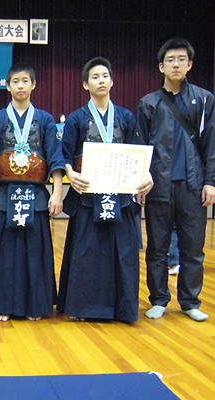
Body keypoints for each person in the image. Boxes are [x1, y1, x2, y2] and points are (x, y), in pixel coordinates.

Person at [57, 57, 153, 323]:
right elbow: (64, 155)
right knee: (87, 252)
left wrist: (146, 176)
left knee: (122, 253)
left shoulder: (125, 117)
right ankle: (81, 308)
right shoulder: (77, 118)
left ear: (112, 81)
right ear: (85, 84)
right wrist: (70, 174)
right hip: (88, 194)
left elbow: (139, 153)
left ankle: (122, 309)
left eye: (105, 76)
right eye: (95, 77)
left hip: (121, 195)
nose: (101, 80)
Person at [137, 38, 215, 322]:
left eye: (181, 59)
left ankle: (189, 301)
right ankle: (159, 298)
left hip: (193, 186)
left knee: (193, 249)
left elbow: (212, 142)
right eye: (170, 60)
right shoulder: (148, 103)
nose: (176, 64)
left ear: (190, 64)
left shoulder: (204, 99)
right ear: (161, 66)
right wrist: (140, 180)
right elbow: (140, 148)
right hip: (158, 187)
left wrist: (212, 181)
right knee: (157, 248)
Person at [0, 62, 65, 321]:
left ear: (33, 85)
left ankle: (35, 305)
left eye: (25, 81)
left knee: (35, 251)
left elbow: (55, 157)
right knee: (4, 252)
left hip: (36, 193)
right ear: (7, 86)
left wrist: (58, 191)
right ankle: (3, 304)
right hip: (4, 193)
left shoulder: (45, 119)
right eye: (15, 81)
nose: (20, 85)